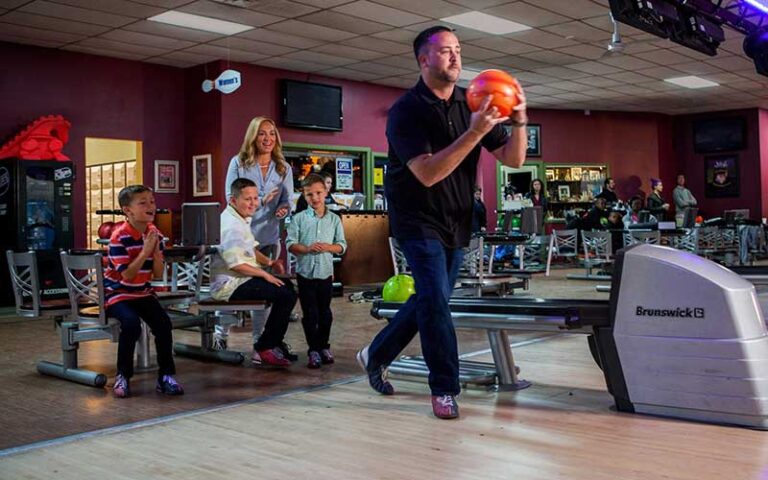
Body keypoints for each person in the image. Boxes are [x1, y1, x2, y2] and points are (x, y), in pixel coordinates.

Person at [356, 25, 528, 420]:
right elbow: (429, 173)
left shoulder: (472, 103)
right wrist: (473, 134)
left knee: (432, 299)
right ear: (424, 59)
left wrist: (519, 121)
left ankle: (376, 353)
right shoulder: (406, 111)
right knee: (435, 300)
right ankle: (445, 388)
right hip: (416, 219)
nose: (455, 57)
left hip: (456, 218)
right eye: (446, 50)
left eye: (458, 49)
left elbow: (514, 160)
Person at [222, 117, 295, 360]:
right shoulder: (239, 163)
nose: (268, 139)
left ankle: (259, 341)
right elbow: (231, 196)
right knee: (241, 283)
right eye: (262, 134)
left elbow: (288, 199)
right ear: (253, 136)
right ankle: (220, 336)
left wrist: (283, 208)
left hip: (267, 236)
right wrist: (261, 201)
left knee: (265, 291)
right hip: (242, 234)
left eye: (272, 134)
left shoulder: (283, 167)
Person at [104, 185, 183, 398]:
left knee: (163, 324)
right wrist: (146, 250)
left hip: (143, 293)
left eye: (152, 201)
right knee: (131, 325)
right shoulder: (118, 237)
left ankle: (166, 376)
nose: (151, 206)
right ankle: (123, 375)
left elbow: (157, 274)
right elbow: (127, 275)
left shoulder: (154, 234)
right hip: (118, 294)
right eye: (143, 202)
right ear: (127, 211)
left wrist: (156, 251)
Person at [210, 178, 298, 367]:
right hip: (229, 285)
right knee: (285, 293)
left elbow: (249, 250)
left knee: (287, 289)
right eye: (247, 199)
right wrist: (266, 274)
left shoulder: (240, 218)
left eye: (255, 198)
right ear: (233, 200)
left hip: (242, 279)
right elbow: (236, 265)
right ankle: (265, 347)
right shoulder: (231, 225)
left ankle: (271, 343)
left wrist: (270, 262)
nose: (253, 203)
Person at [286, 174, 347, 368]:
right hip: (305, 275)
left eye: (319, 193)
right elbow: (290, 244)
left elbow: (342, 246)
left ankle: (324, 346)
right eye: (309, 194)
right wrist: (306, 249)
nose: (315, 198)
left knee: (325, 313)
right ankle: (313, 349)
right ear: (303, 195)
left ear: (326, 192)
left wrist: (328, 247)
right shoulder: (298, 219)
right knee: (310, 313)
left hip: (325, 274)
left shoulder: (334, 219)